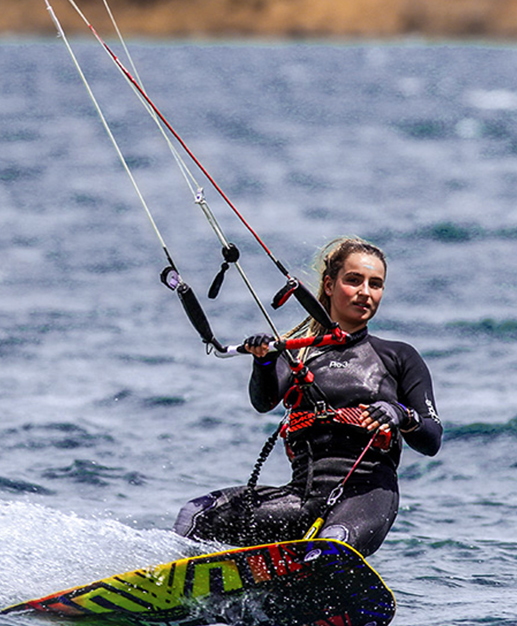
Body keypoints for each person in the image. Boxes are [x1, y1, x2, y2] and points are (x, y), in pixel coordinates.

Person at [173, 236, 441, 557]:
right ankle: (168, 591)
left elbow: (431, 439)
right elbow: (264, 402)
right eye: (354, 280)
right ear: (329, 285)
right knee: (197, 516)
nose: (365, 292)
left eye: (376, 284)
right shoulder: (299, 354)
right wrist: (263, 361)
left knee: (330, 546)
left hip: (366, 498)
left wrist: (401, 414)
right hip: (301, 499)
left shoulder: (399, 357)